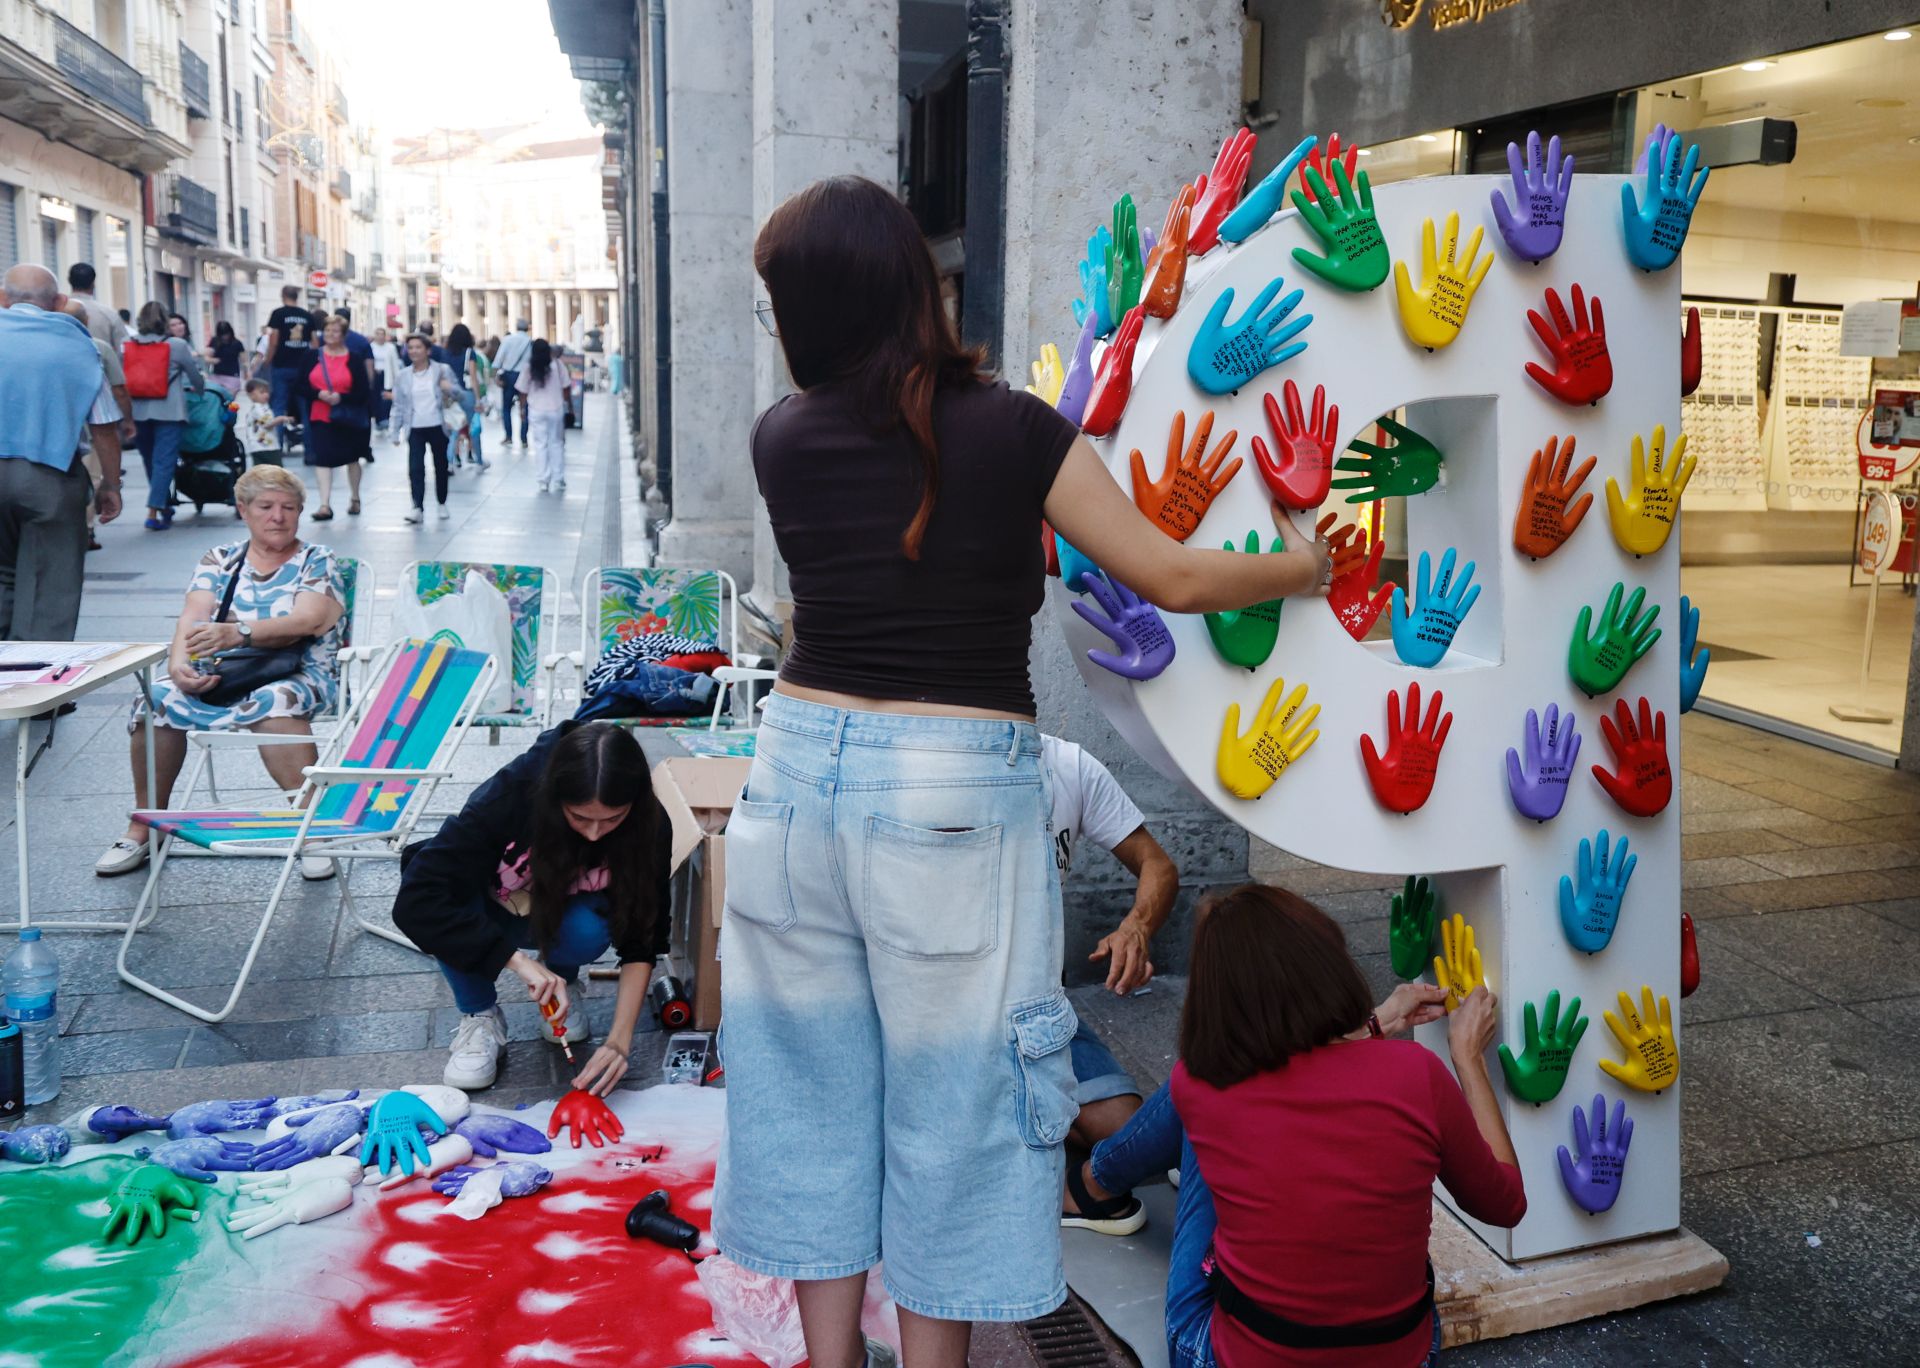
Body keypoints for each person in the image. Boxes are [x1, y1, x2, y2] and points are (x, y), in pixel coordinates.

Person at [715, 175, 1332, 1368]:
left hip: (791, 775)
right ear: (916, 286)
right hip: (949, 787)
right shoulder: (1012, 429)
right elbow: (1174, 575)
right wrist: (1300, 568)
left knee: (809, 1099)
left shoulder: (780, 438)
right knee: (958, 1106)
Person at [1073, 886, 1522, 1367]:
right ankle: (1099, 1183)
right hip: (1402, 1357)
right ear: (1329, 965)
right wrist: (1467, 1057)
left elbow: (1282, 1062)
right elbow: (1505, 1204)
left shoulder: (1202, 1082)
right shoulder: (1418, 1074)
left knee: (1204, 1126)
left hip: (1229, 1356)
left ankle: (1095, 1185)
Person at [391, 720, 673, 1092]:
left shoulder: (649, 823)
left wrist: (619, 1042)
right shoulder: (509, 796)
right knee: (449, 901)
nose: (593, 833)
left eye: (612, 820)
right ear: (555, 797)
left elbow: (643, 936)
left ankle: (563, 981)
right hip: (486, 904)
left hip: (559, 910)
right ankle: (479, 1014)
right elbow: (418, 900)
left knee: (589, 929)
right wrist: (516, 961)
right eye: (580, 817)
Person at [95, 465, 345, 880]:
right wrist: (177, 666)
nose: (277, 517)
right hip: (228, 674)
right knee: (156, 697)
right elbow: (192, 617)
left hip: (302, 673)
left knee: (275, 701)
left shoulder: (317, 560)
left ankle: (312, 829)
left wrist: (239, 634)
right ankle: (144, 825)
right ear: (244, 510)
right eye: (265, 506)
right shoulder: (221, 558)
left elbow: (308, 620)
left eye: (288, 507)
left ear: (300, 512)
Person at [1038, 734, 1178, 1236]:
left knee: (1134, 1138)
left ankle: (1045, 1123)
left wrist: (1136, 926)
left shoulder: (1067, 764)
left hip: (1041, 1010)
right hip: (949, 1018)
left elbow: (1157, 865)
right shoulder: (929, 758)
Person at [0, 265, 123, 641]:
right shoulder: (80, 346)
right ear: (58, 302)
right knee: (49, 587)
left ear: (3, 299)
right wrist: (110, 485)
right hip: (50, 478)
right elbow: (103, 427)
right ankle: (36, 691)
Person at [126, 299, 205, 531]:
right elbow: (194, 375)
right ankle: (153, 510)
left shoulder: (128, 344)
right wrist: (200, 392)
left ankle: (162, 504)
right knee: (164, 461)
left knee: (150, 460)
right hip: (169, 411)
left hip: (138, 411)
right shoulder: (176, 345)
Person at [64, 300, 133, 553]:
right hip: (90, 429)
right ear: (87, 321)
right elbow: (119, 389)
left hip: (58, 436)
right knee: (92, 478)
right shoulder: (98, 348)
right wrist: (127, 419)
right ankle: (86, 528)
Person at [300, 314, 371, 520]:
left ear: (344, 335)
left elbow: (363, 391)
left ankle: (355, 497)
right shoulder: (312, 356)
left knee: (352, 458)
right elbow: (300, 385)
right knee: (322, 457)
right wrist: (318, 394)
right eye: (327, 331)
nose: (330, 335)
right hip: (320, 415)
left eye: (335, 331)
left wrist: (342, 397)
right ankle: (324, 504)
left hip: (347, 416)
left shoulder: (354, 358)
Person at [389, 333, 458, 523]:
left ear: (427, 350)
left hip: (438, 425)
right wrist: (394, 431)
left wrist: (448, 388)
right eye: (410, 348)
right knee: (415, 468)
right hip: (415, 427)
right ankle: (417, 507)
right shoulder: (403, 376)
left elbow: (459, 393)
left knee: (441, 466)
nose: (414, 351)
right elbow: (398, 404)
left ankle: (442, 502)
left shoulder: (442, 370)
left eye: (418, 347)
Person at [262, 285, 315, 456]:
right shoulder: (307, 315)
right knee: (306, 410)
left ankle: (276, 449)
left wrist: (267, 361)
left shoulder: (278, 314)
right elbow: (314, 344)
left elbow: (274, 341)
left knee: (278, 406)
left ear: (283, 295)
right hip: (303, 369)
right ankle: (310, 451)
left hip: (282, 366)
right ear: (296, 296)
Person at [518, 339, 570, 491]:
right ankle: (559, 478)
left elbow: (522, 390)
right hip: (556, 408)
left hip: (536, 409)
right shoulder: (557, 365)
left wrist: (522, 409)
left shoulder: (529, 367)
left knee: (540, 444)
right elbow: (566, 386)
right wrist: (566, 403)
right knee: (556, 443)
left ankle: (543, 480)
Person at [444, 323, 487, 468]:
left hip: (450, 393)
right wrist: (477, 399)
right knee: (474, 428)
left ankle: (449, 461)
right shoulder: (469, 352)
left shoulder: (445, 353)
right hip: (466, 393)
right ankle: (479, 459)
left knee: (454, 430)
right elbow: (473, 377)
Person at [67, 262, 128, 350]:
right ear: (93, 283)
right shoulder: (109, 314)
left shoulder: (55, 311)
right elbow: (123, 349)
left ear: (69, 280)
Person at [493, 317, 531, 447]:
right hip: (525, 376)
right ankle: (524, 438)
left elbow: (498, 360)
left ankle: (508, 436)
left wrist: (497, 376)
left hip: (509, 376)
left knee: (506, 408)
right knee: (524, 407)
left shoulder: (508, 340)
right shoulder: (529, 342)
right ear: (527, 328)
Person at [236, 377, 291, 468]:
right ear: (252, 395)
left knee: (260, 472)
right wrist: (281, 419)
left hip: (256, 446)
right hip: (267, 446)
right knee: (277, 471)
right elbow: (267, 424)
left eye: (267, 392)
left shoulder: (259, 408)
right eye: (262, 392)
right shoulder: (260, 409)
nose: (266, 395)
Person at [369, 327, 401, 429]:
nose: (380, 336)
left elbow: (394, 363)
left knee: (386, 396)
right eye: (377, 334)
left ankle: (384, 417)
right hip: (375, 375)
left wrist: (397, 377)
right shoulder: (371, 347)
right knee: (375, 396)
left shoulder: (390, 347)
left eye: (382, 334)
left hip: (387, 375)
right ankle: (377, 417)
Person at [206, 320, 246, 396]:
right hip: (216, 375)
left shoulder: (237, 343)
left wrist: (247, 372)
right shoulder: (214, 341)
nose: (225, 337)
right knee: (216, 398)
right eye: (222, 335)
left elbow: (244, 360)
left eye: (226, 334)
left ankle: (230, 408)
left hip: (232, 375)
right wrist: (212, 360)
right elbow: (207, 357)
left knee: (230, 400)